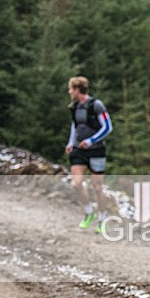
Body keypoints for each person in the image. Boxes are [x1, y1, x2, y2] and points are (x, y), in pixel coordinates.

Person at [65, 76, 113, 234]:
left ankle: (102, 218)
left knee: (97, 187)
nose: (69, 92)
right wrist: (71, 142)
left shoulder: (96, 105)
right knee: (76, 183)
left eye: (71, 89)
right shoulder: (74, 107)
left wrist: (92, 140)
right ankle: (88, 212)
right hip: (79, 149)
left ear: (77, 89)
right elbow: (75, 125)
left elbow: (107, 127)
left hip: (96, 150)